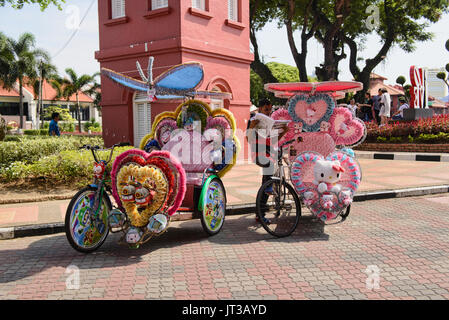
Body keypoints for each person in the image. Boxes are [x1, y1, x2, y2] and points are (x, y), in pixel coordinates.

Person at [246, 98, 288, 224]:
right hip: (259, 153)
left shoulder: (270, 122)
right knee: (268, 178)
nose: (269, 112)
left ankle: (260, 214)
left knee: (265, 184)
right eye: (266, 110)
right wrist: (253, 127)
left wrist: (284, 132)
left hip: (270, 153)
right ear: (259, 109)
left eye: (270, 110)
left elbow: (274, 140)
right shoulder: (252, 121)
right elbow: (248, 139)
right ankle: (268, 188)